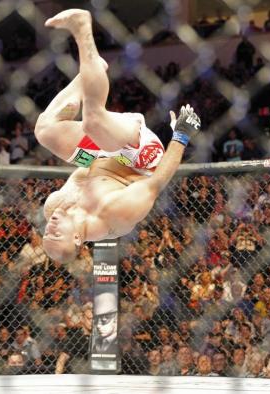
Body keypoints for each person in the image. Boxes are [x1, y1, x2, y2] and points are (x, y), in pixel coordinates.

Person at [35, 9, 201, 263]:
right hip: (138, 158)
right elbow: (156, 183)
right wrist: (181, 134)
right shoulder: (115, 215)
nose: (51, 226)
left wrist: (88, 164)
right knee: (93, 122)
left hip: (98, 156)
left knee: (44, 131)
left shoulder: (53, 207)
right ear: (78, 239)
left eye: (47, 232)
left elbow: (82, 170)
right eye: (57, 234)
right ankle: (82, 30)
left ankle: (90, 72)